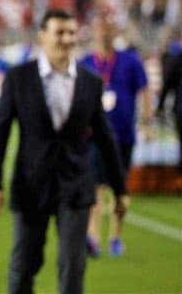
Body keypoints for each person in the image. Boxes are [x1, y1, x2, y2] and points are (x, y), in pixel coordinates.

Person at [0, 9, 128, 294]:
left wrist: (120, 189)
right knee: (24, 266)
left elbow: (105, 138)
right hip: (30, 185)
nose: (66, 39)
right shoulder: (18, 79)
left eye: (72, 33)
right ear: (42, 36)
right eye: (59, 32)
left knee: (73, 266)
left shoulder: (91, 82)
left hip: (75, 186)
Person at [80, 15, 151, 257]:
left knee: (120, 190)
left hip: (123, 135)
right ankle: (93, 236)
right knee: (97, 186)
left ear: (114, 32)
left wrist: (147, 121)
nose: (104, 34)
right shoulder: (86, 62)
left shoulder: (130, 61)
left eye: (108, 29)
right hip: (95, 136)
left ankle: (116, 236)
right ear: (94, 33)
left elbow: (144, 90)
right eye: (100, 29)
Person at [157, 50, 182, 172]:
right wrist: (160, 106)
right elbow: (167, 83)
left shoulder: (177, 58)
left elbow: (167, 83)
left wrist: (160, 107)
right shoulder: (178, 58)